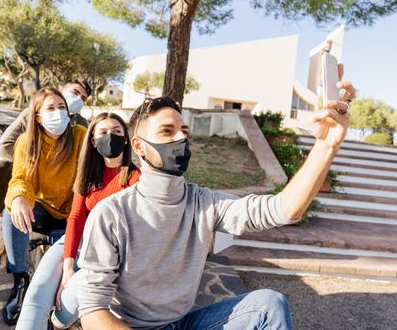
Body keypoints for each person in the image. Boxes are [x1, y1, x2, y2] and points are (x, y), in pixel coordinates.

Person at [74, 73, 355, 330]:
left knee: (268, 305)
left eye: (184, 130)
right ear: (138, 146)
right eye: (166, 131)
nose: (181, 137)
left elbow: (284, 209)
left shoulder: (204, 203)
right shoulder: (112, 213)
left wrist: (326, 145)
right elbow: (92, 311)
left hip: (182, 323)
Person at [16, 113, 140, 330]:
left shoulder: (136, 179)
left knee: (62, 317)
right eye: (102, 132)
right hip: (76, 241)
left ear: (127, 138)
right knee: (36, 296)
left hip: (105, 256)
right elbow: (75, 217)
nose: (110, 136)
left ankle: (56, 321)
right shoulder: (88, 174)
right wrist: (68, 267)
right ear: (92, 140)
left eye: (117, 132)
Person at [1, 87, 87, 325]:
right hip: (42, 209)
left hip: (72, 214)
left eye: (61, 107)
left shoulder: (80, 135)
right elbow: (21, 179)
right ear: (37, 116)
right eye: (50, 108)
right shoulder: (26, 141)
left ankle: (55, 305)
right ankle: (20, 279)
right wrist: (18, 196)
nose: (58, 113)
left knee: (60, 272)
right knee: (12, 210)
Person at [0, 80, 91, 258]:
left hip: (66, 197)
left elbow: (87, 159)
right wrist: (34, 161)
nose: (78, 99)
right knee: (0, 168)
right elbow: (5, 146)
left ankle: (50, 238)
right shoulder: (31, 115)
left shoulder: (80, 127)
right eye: (75, 92)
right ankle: (2, 224)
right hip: (31, 175)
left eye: (83, 98)